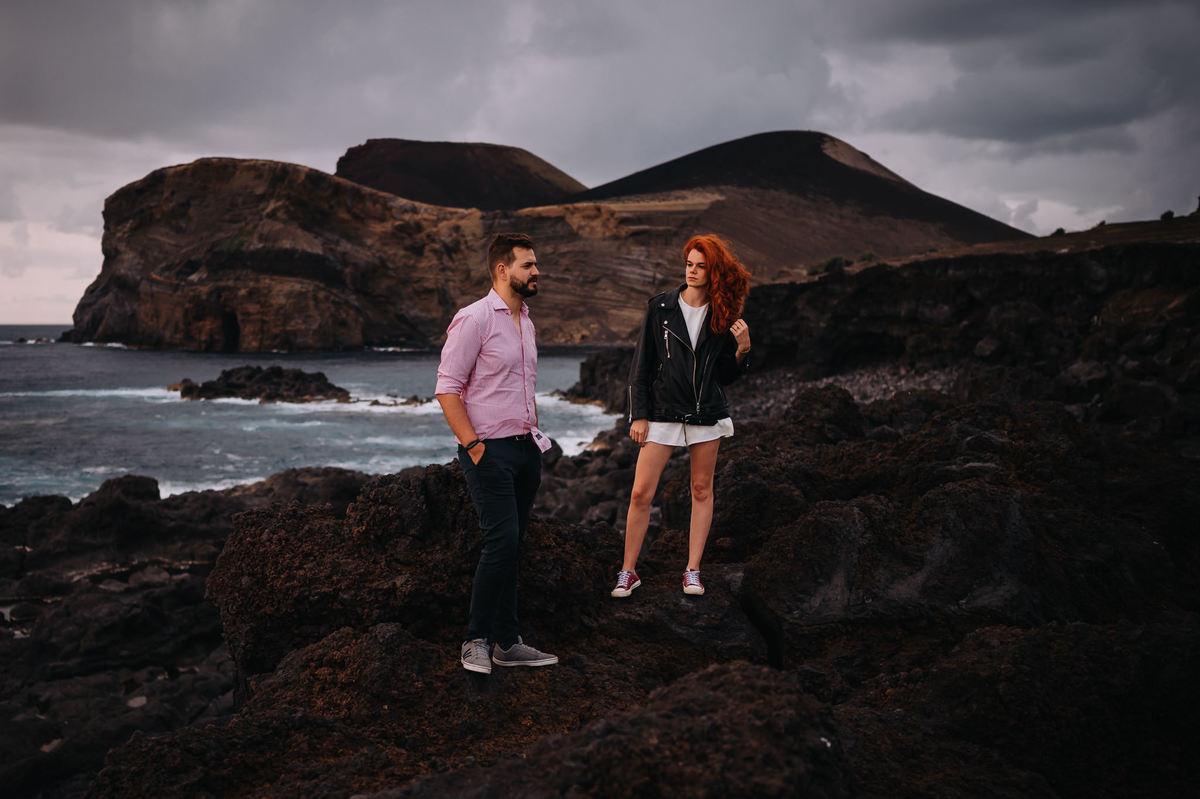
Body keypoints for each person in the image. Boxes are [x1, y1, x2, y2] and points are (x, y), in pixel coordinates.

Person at [435, 232, 558, 674]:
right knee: (500, 541)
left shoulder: (526, 321)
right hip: (488, 451)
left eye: (536, 263)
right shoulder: (473, 319)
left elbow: (523, 387)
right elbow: (447, 389)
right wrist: (473, 446)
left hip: (526, 449)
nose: (536, 271)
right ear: (503, 270)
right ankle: (475, 639)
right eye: (528, 264)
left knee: (514, 545)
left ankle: (507, 641)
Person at [611, 233, 751, 598]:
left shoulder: (723, 313)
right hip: (663, 413)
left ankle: (692, 570)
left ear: (713, 271)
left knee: (701, 489)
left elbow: (723, 375)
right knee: (641, 492)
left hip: (707, 413)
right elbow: (641, 366)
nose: (692, 271)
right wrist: (638, 416)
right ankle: (628, 571)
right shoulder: (660, 308)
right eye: (689, 264)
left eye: (700, 266)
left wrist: (743, 351)